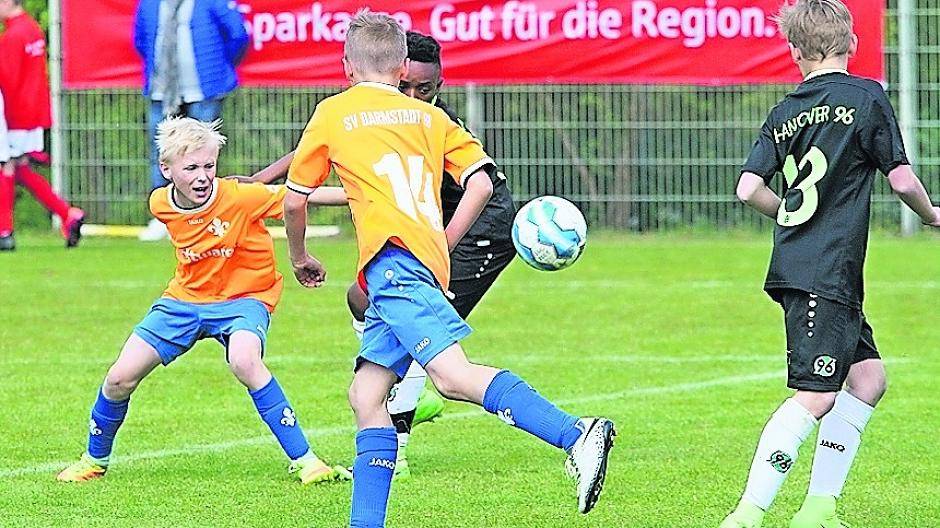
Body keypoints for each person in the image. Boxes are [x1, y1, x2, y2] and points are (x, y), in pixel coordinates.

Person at [283, 11, 615, 526]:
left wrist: (300, 256)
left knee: (452, 378)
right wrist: (441, 241)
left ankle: (576, 434)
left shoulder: (334, 113)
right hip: (417, 263)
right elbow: (482, 181)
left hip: (393, 263)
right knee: (366, 395)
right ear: (400, 70)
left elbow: (295, 199)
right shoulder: (432, 118)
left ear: (346, 66)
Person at [241, 30, 518, 480]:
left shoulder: (431, 121)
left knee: (437, 360)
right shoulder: (371, 113)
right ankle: (404, 397)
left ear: (438, 86)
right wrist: (261, 180)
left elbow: (481, 187)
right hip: (416, 240)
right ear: (397, 70)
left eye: (423, 90)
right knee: (361, 302)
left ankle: (402, 443)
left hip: (477, 230)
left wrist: (438, 249)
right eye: (408, 86)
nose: (412, 95)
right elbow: (319, 149)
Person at [721, 1, 940, 527]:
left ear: (795, 50)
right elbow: (902, 179)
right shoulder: (866, 97)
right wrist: (932, 215)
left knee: (867, 379)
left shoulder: (784, 112)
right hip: (826, 271)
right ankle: (747, 514)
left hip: (806, 266)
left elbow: (748, 188)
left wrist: (789, 215)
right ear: (853, 43)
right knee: (816, 395)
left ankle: (818, 508)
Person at [56, 117, 348, 485]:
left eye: (209, 166)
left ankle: (307, 462)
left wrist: (367, 196)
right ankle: (94, 460)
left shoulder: (241, 196)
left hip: (245, 298)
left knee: (245, 360)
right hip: (184, 301)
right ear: (166, 169)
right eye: (191, 167)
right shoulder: (160, 203)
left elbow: (303, 196)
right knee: (119, 377)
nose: (202, 176)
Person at [133, 0, 249, 241]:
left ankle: (205, 215)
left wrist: (218, 68)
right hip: (161, 92)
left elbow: (237, 35)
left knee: (204, 157)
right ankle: (164, 217)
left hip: (204, 90)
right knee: (162, 155)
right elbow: (140, 40)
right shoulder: (149, 4)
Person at [0, 0, 85, 251]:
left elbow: (8, 79)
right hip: (34, 109)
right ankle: (68, 214)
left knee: (6, 166)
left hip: (18, 112)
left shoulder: (13, 36)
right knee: (19, 168)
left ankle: (5, 231)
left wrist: (9, 118)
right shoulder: (31, 29)